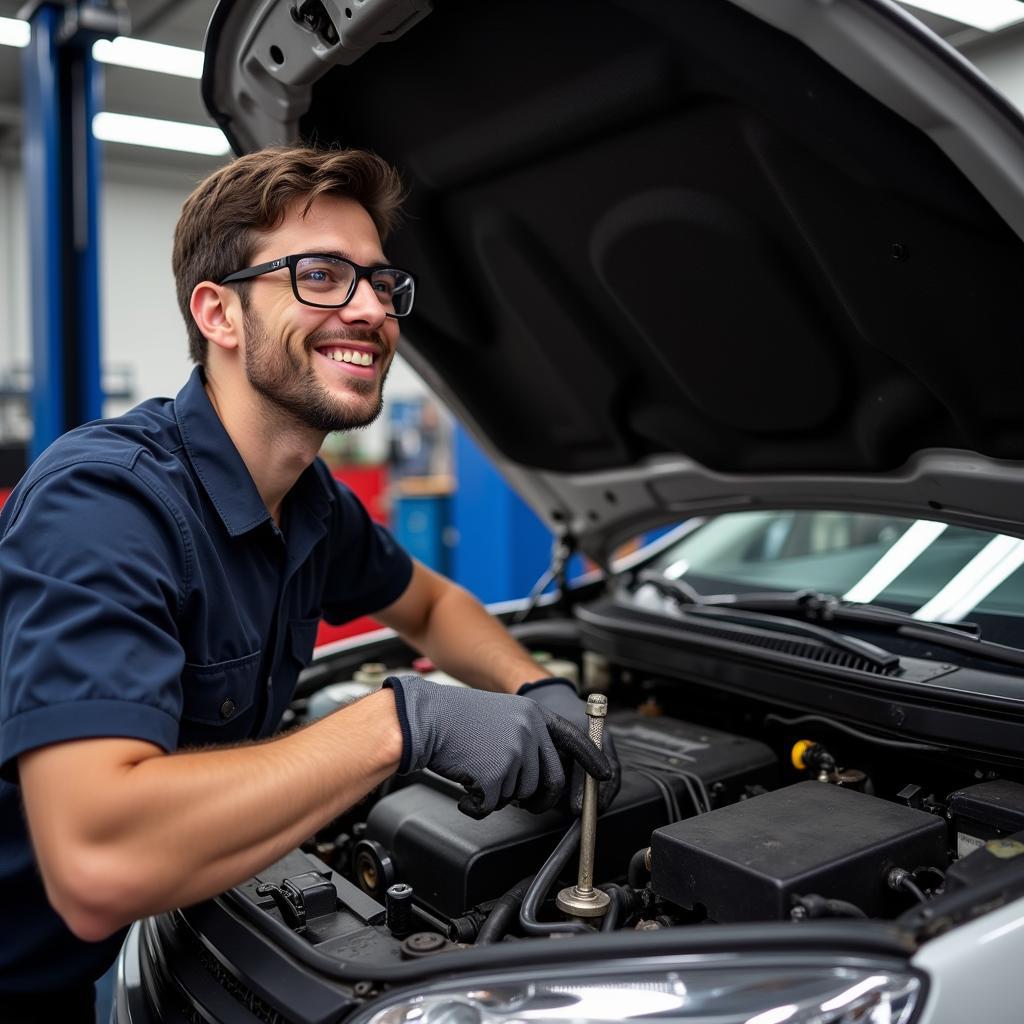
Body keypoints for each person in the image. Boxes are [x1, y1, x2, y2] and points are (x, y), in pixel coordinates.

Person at [0, 146, 618, 1021]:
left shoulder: (309, 500)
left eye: (378, 281)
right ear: (217, 312)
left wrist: (537, 686)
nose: (370, 309)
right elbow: (97, 862)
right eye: (320, 275)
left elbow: (434, 605)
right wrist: (406, 721)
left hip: (66, 965)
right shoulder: (105, 502)